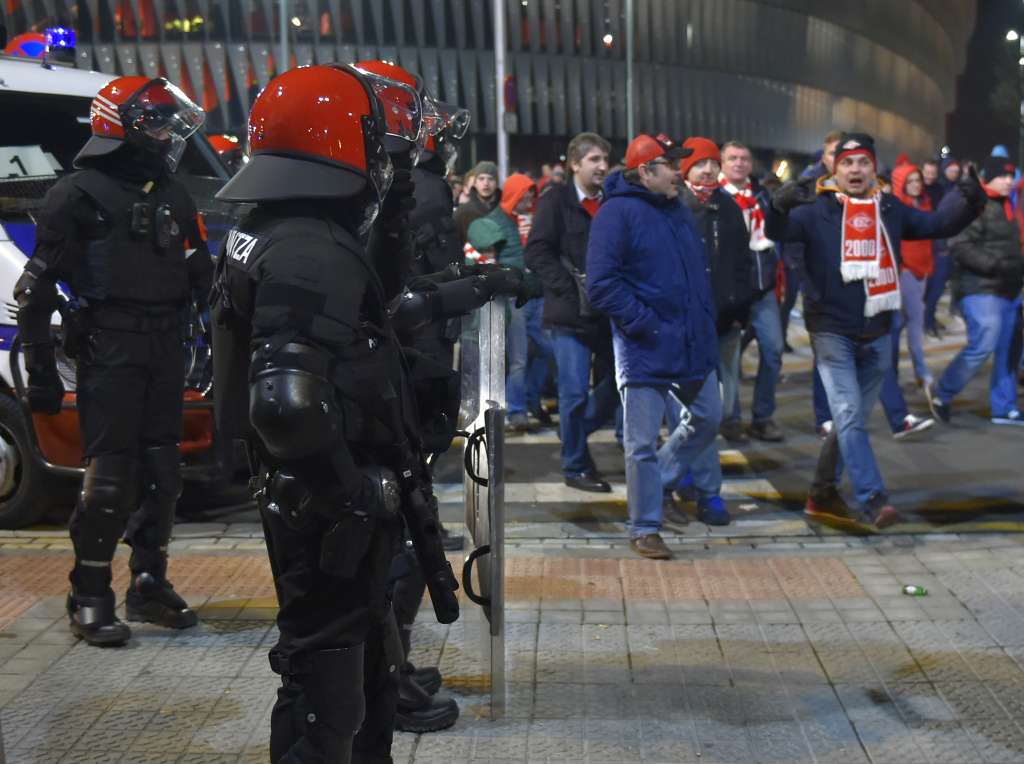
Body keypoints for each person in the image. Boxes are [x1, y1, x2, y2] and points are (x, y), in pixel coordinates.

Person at [211, 64, 461, 762]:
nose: (385, 153)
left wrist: (401, 187)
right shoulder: (309, 248)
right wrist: (358, 493)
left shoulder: (279, 226)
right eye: (376, 140)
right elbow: (286, 404)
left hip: (314, 499)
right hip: (326, 506)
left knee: (361, 673)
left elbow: (377, 291)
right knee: (329, 693)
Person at [15, 76, 210, 646]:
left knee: (165, 474)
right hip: (110, 346)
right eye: (154, 121)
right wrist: (40, 370)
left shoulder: (171, 191)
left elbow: (200, 272)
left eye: (168, 122)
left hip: (165, 345)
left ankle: (149, 583)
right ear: (115, 123)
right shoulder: (75, 194)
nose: (166, 133)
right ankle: (91, 591)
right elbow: (38, 287)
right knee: (109, 480)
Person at [766, 133, 982, 529]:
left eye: (862, 162)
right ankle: (873, 497)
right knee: (848, 416)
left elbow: (934, 224)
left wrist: (971, 200)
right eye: (847, 162)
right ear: (835, 167)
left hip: (879, 331)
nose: (854, 170)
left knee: (851, 423)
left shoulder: (889, 207)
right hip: (831, 330)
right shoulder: (814, 208)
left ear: (873, 168)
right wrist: (778, 206)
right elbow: (778, 233)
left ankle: (821, 493)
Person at [587, 134, 720, 560]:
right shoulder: (617, 213)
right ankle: (645, 526)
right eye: (671, 164)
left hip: (690, 343)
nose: (680, 171)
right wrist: (647, 325)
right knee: (640, 442)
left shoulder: (676, 209)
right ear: (645, 171)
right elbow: (602, 285)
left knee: (709, 417)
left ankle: (656, 482)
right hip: (645, 347)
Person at [525, 131, 620, 493]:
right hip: (569, 316)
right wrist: (567, 288)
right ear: (575, 164)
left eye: (604, 160)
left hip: (609, 313)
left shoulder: (613, 201)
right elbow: (537, 252)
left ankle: (574, 432)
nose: (602, 167)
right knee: (574, 392)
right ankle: (576, 464)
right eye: (594, 160)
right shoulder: (555, 202)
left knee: (614, 389)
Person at [928, 156, 1024, 426]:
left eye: (1010, 176)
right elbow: (961, 246)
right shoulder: (975, 203)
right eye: (1002, 176)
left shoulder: (1007, 205)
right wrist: (995, 265)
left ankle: (1004, 407)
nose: (1008, 181)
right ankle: (943, 392)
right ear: (988, 177)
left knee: (1009, 349)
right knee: (985, 341)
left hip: (1009, 287)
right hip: (979, 286)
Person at [719, 140, 785, 442]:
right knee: (729, 358)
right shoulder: (716, 197)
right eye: (732, 158)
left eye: (744, 158)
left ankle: (763, 416)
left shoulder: (760, 195)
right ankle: (730, 418)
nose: (739, 163)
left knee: (772, 350)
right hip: (731, 291)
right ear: (722, 162)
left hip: (762, 289)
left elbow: (777, 232)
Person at [480, 173, 552, 431]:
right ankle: (517, 410)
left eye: (532, 195)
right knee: (519, 358)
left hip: (535, 295)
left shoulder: (531, 221)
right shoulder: (497, 222)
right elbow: (488, 260)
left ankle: (530, 401)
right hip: (514, 298)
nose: (530, 199)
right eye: (525, 195)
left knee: (545, 350)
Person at [881, 164, 937, 435]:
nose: (916, 184)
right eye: (910, 180)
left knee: (898, 325)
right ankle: (923, 375)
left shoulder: (923, 203)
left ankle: (889, 375)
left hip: (922, 271)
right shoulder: (897, 208)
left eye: (918, 180)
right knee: (915, 322)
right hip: (905, 272)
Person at [454, 161, 500, 241]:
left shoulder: (504, 211)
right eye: (481, 179)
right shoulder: (462, 212)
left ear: (496, 183)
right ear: (475, 183)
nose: (486, 183)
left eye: (491, 179)